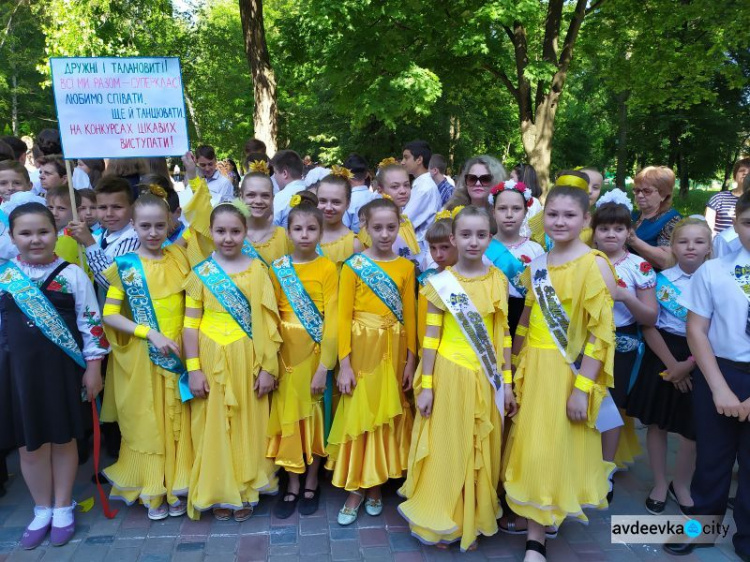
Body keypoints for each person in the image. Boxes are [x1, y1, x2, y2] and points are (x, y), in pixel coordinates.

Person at [502, 173, 618, 562]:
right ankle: (538, 523)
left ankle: (539, 533)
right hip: (532, 367)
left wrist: (583, 387)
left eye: (570, 215)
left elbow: (601, 336)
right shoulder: (538, 262)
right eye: (553, 214)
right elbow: (526, 320)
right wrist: (512, 372)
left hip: (567, 371)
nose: (560, 222)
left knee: (553, 446)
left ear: (586, 220)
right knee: (532, 445)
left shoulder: (594, 265)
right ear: (543, 216)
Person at [399, 206, 516, 552]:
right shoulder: (440, 284)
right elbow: (431, 339)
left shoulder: (498, 280)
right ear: (453, 239)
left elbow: (504, 335)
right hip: (449, 374)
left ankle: (473, 517)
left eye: (481, 235)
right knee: (448, 447)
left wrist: (507, 384)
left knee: (478, 446)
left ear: (490, 239)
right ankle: (443, 517)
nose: (473, 241)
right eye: (465, 235)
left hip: (486, 376)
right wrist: (427, 386)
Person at [0, 202, 107, 549]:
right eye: (25, 233)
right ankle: (41, 508)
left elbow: (91, 324)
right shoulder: (5, 278)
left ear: (56, 233)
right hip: (17, 374)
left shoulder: (72, 274)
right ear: (12, 237)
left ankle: (63, 506)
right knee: (29, 444)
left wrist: (93, 367)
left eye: (43, 231)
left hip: (63, 371)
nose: (35, 240)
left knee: (63, 439)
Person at [665, 192, 750, 560]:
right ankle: (701, 528)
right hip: (721, 372)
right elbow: (696, 330)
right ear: (735, 224)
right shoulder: (714, 271)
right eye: (748, 223)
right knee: (711, 459)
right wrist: (719, 390)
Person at [184, 200, 281, 522]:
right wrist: (194, 369)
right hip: (211, 355)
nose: (228, 238)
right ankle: (218, 489)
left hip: (247, 355)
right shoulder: (202, 273)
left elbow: (268, 322)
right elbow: (190, 324)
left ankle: (244, 489)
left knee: (247, 423)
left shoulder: (257, 270)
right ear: (210, 232)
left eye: (235, 231)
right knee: (212, 426)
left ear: (245, 233)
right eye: (221, 231)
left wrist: (268, 367)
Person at [100, 192, 193, 520]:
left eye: (159, 225)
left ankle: (178, 485)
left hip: (181, 348)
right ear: (133, 226)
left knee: (179, 420)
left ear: (169, 223)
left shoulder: (179, 257)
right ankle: (154, 489)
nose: (153, 233)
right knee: (150, 421)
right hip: (147, 353)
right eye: (145, 226)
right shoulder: (125, 267)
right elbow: (110, 314)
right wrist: (149, 333)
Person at [326, 198, 416, 526]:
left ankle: (375, 484)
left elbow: (411, 317)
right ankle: (355, 488)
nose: (384, 233)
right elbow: (342, 317)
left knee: (383, 413)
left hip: (394, 348)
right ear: (365, 229)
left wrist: (411, 360)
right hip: (361, 349)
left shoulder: (406, 267)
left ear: (399, 227)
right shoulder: (353, 266)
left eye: (391, 227)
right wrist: (344, 364)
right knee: (359, 412)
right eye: (377, 227)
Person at [626, 217, 711, 516]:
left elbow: (717, 331)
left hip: (701, 357)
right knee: (658, 423)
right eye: (683, 241)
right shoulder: (659, 280)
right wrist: (672, 365)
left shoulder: (716, 281)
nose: (690, 247)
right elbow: (648, 326)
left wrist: (687, 366)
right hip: (662, 353)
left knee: (691, 429)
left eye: (699, 242)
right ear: (671, 245)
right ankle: (660, 483)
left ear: (709, 247)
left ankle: (682, 484)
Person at [267, 193, 338, 518]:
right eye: (298, 229)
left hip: (314, 354)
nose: (305, 235)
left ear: (320, 233)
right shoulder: (278, 268)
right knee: (289, 418)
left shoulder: (327, 268)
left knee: (314, 418)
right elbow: (269, 316)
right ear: (289, 232)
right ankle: (291, 482)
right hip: (285, 356)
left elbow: (334, 318)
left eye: (312, 229)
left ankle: (311, 480)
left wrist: (325, 365)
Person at [591, 189, 658, 483]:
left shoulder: (638, 266)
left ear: (629, 232)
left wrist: (625, 297)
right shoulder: (584, 262)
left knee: (611, 406)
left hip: (622, 342)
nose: (611, 234)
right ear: (593, 232)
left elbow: (650, 316)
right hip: (585, 339)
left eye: (619, 228)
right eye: (604, 228)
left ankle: (605, 469)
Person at [487, 180, 544, 336]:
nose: (509, 214)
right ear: (493, 212)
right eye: (502, 208)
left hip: (527, 317)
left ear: (526, 212)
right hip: (491, 316)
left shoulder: (536, 250)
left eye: (516, 209)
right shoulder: (483, 248)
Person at [67, 177, 140, 295]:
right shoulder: (99, 235)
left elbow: (114, 285)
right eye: (102, 207)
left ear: (132, 208)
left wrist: (89, 243)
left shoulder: (133, 238)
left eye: (117, 207)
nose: (109, 214)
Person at [358, 160, 422, 269]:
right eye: (395, 187)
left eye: (406, 185)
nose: (403, 191)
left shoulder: (406, 222)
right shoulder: (372, 225)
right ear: (380, 190)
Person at [416, 214, 458, 352]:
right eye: (433, 248)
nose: (438, 254)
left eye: (445, 247)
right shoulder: (428, 279)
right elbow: (423, 322)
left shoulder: (470, 278)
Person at [628, 166, 682, 270]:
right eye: (637, 190)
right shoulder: (632, 215)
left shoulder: (672, 219)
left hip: (653, 281)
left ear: (663, 195)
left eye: (646, 191)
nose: (639, 195)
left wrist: (634, 241)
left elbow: (667, 261)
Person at [446, 155, 506, 234]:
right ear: (465, 182)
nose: (478, 184)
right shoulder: (451, 211)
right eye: (472, 179)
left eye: (485, 179)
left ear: (496, 182)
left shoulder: (505, 214)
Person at [317, 168, 363, 268]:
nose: (328, 208)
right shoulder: (304, 236)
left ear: (348, 203)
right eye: (323, 201)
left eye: (336, 202)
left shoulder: (354, 245)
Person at [401, 141, 441, 255]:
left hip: (418, 249)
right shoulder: (420, 184)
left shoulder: (424, 188)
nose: (402, 162)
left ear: (419, 160)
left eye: (406, 157)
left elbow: (405, 221)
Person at [705, 158, 750, 235]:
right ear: (734, 176)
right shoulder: (718, 198)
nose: (745, 173)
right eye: (742, 171)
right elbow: (707, 228)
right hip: (721, 245)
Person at [45, 186, 86, 268]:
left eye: (61, 208)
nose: (54, 213)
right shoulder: (45, 233)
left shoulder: (76, 236)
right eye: (50, 207)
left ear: (76, 211)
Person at [343, 153, 378, 233]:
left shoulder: (346, 201)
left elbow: (343, 229)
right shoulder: (378, 197)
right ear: (366, 175)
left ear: (346, 176)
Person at [272, 150, 307, 228]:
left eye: (275, 172)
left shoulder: (280, 198)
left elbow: (271, 228)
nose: (274, 176)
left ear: (285, 173)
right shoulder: (313, 191)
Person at [511, 164, 542, 238]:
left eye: (511, 177)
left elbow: (527, 232)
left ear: (521, 179)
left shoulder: (533, 202)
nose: (509, 181)